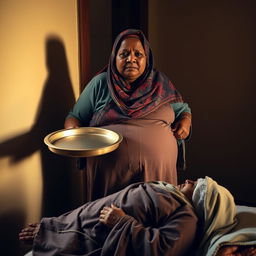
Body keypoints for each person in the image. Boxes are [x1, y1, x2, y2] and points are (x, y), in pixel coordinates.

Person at [64, 29, 192, 201]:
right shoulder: (100, 84)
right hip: (109, 175)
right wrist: (74, 134)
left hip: (158, 173)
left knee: (156, 217)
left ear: (147, 59)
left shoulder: (161, 83)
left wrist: (185, 121)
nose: (131, 59)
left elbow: (183, 109)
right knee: (109, 218)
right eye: (124, 54)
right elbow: (74, 117)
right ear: (114, 58)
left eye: (138, 54)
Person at [19, 177, 256, 256]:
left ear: (204, 203)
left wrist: (121, 221)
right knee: (72, 221)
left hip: (104, 226)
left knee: (74, 237)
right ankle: (55, 227)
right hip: (97, 212)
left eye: (198, 185)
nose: (190, 181)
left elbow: (161, 249)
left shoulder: (188, 219)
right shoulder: (177, 198)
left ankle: (53, 233)